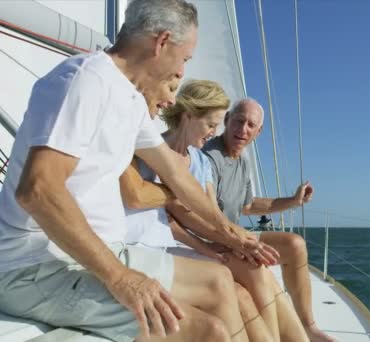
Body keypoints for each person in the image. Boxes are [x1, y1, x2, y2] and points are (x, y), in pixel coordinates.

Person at [0, 1, 255, 341]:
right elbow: (38, 190)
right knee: (208, 331)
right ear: (162, 42)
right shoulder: (85, 80)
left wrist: (231, 232)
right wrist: (121, 278)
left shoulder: (131, 100)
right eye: (185, 58)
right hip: (34, 268)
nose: (182, 67)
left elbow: (177, 176)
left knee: (219, 281)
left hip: (95, 251)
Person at [120, 79, 309, 342]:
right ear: (188, 116)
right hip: (167, 244)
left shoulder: (200, 160)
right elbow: (174, 214)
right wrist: (216, 244)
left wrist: (235, 241)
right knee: (244, 285)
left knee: (254, 269)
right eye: (211, 124)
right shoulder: (155, 151)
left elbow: (210, 212)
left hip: (196, 242)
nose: (213, 132)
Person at [203, 98, 336, 342]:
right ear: (227, 120)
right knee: (257, 266)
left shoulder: (241, 161)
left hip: (235, 235)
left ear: (259, 131)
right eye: (239, 121)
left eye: (250, 125)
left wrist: (293, 201)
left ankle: (308, 325)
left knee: (295, 244)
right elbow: (206, 214)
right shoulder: (210, 158)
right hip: (212, 239)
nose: (243, 130)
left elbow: (249, 206)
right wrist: (242, 242)